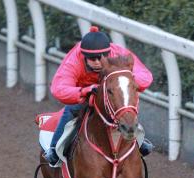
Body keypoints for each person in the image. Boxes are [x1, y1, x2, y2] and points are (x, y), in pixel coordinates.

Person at [44, 26, 154, 165]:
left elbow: (145, 77)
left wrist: (124, 83)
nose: (97, 62)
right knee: (70, 109)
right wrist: (83, 91)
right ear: (83, 56)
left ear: (109, 52)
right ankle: (54, 148)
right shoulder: (74, 60)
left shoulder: (118, 54)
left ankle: (139, 140)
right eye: (92, 58)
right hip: (85, 95)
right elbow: (58, 88)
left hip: (111, 94)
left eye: (101, 57)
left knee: (126, 105)